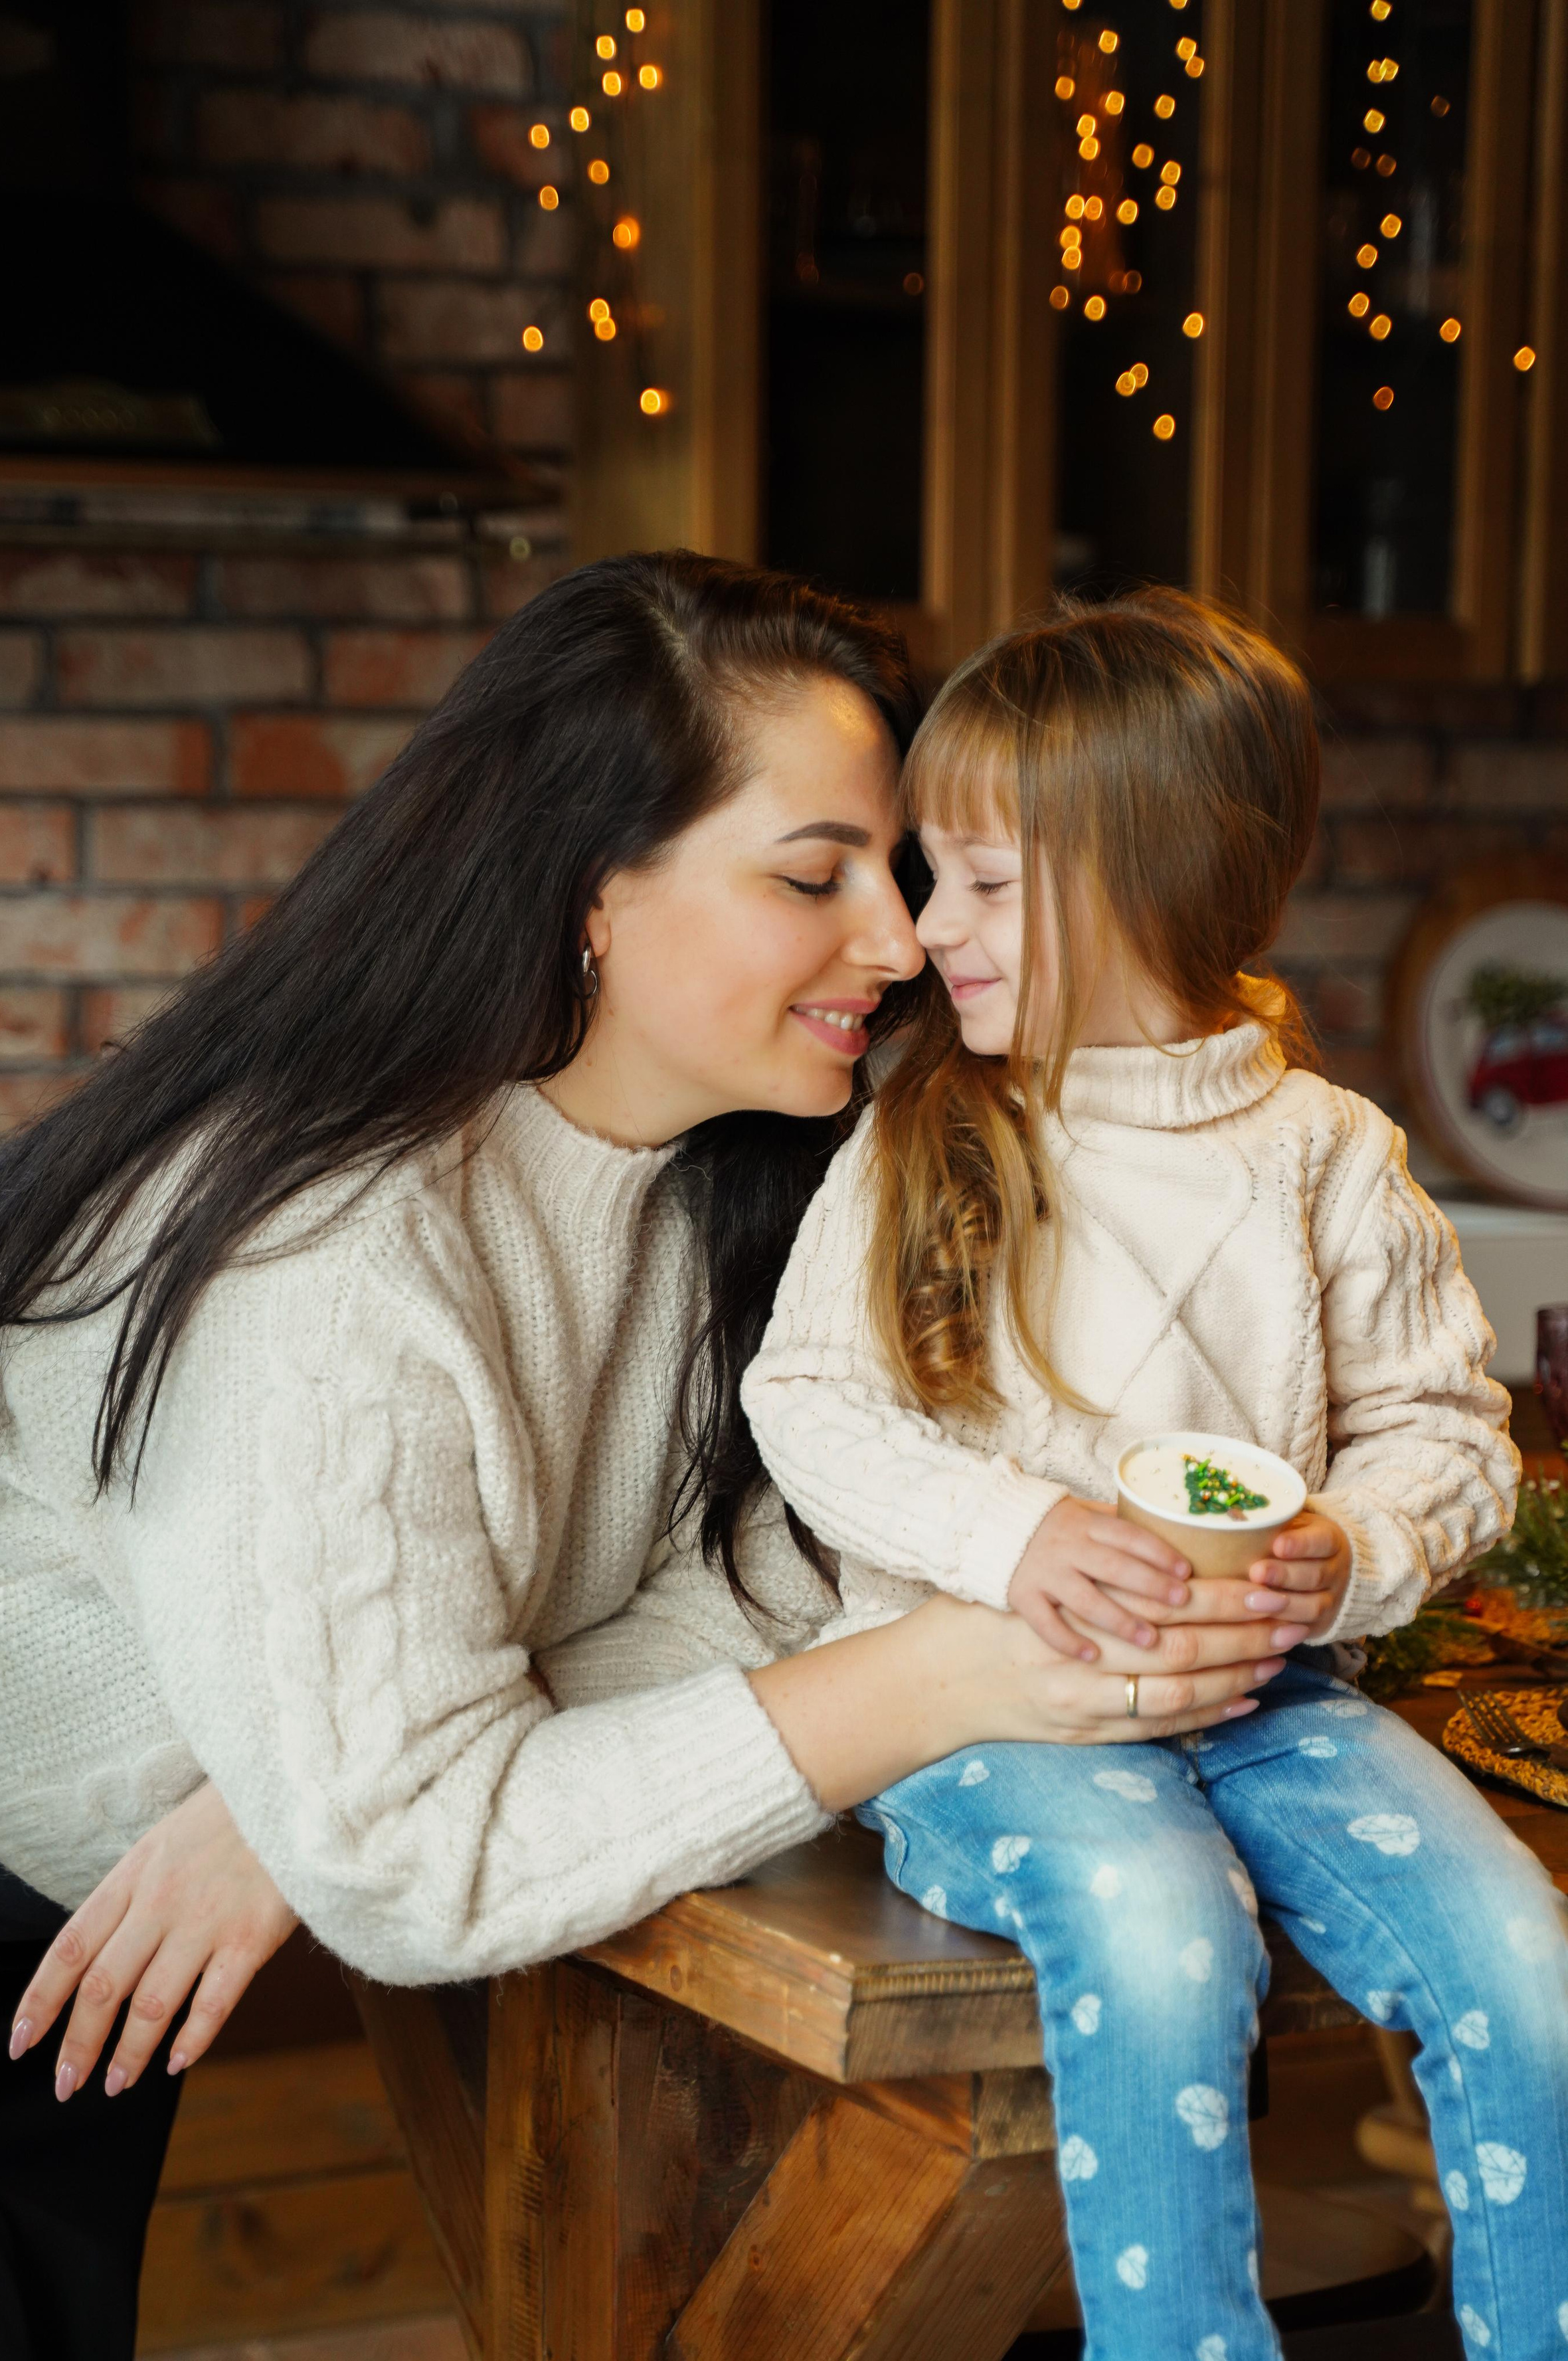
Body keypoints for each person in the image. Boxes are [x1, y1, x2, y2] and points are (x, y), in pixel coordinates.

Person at [0, 555, 1292, 2361]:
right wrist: (946, 1668)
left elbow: (763, 1577)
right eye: (812, 875)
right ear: (593, 890)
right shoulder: (341, 1259)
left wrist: (305, 1793)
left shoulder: (753, 1184)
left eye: (903, 870)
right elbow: (415, 1852)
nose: (902, 936)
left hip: (60, 1942)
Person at [740, 590, 1561, 2361]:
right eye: (917, 871)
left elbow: (1448, 1438)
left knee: (1538, 1979)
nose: (919, 925)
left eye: (977, 880)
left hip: (1266, 1694)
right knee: (1162, 1933)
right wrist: (1016, 1531)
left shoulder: (1328, 1152)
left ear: (1142, 874)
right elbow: (807, 1400)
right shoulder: (922, 1131)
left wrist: (1346, 1547)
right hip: (989, 1710)